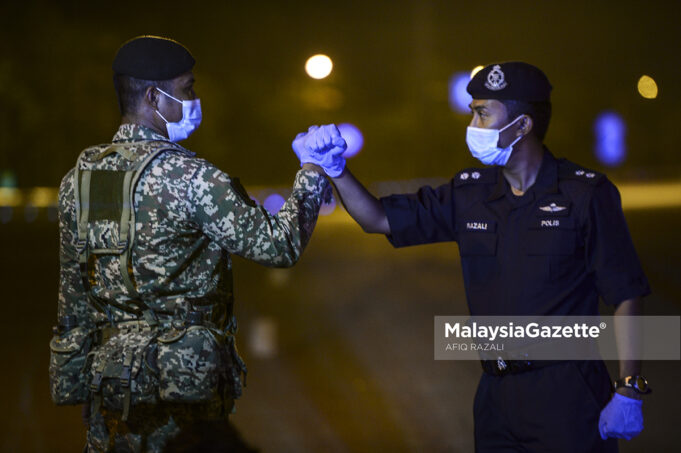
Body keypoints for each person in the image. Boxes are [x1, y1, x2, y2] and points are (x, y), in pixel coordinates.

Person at [297, 62, 652, 452]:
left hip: (567, 393)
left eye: (482, 112)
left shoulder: (585, 195)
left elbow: (624, 294)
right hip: (495, 398)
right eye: (473, 111)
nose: (473, 122)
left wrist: (628, 389)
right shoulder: (470, 194)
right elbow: (379, 219)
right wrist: (337, 169)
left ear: (522, 125)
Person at [51, 35, 338, 452]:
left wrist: (72, 379)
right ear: (153, 96)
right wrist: (311, 169)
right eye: (187, 89)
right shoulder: (192, 178)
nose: (194, 98)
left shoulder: (79, 180)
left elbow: (74, 294)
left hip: (111, 389)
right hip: (182, 389)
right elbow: (279, 246)